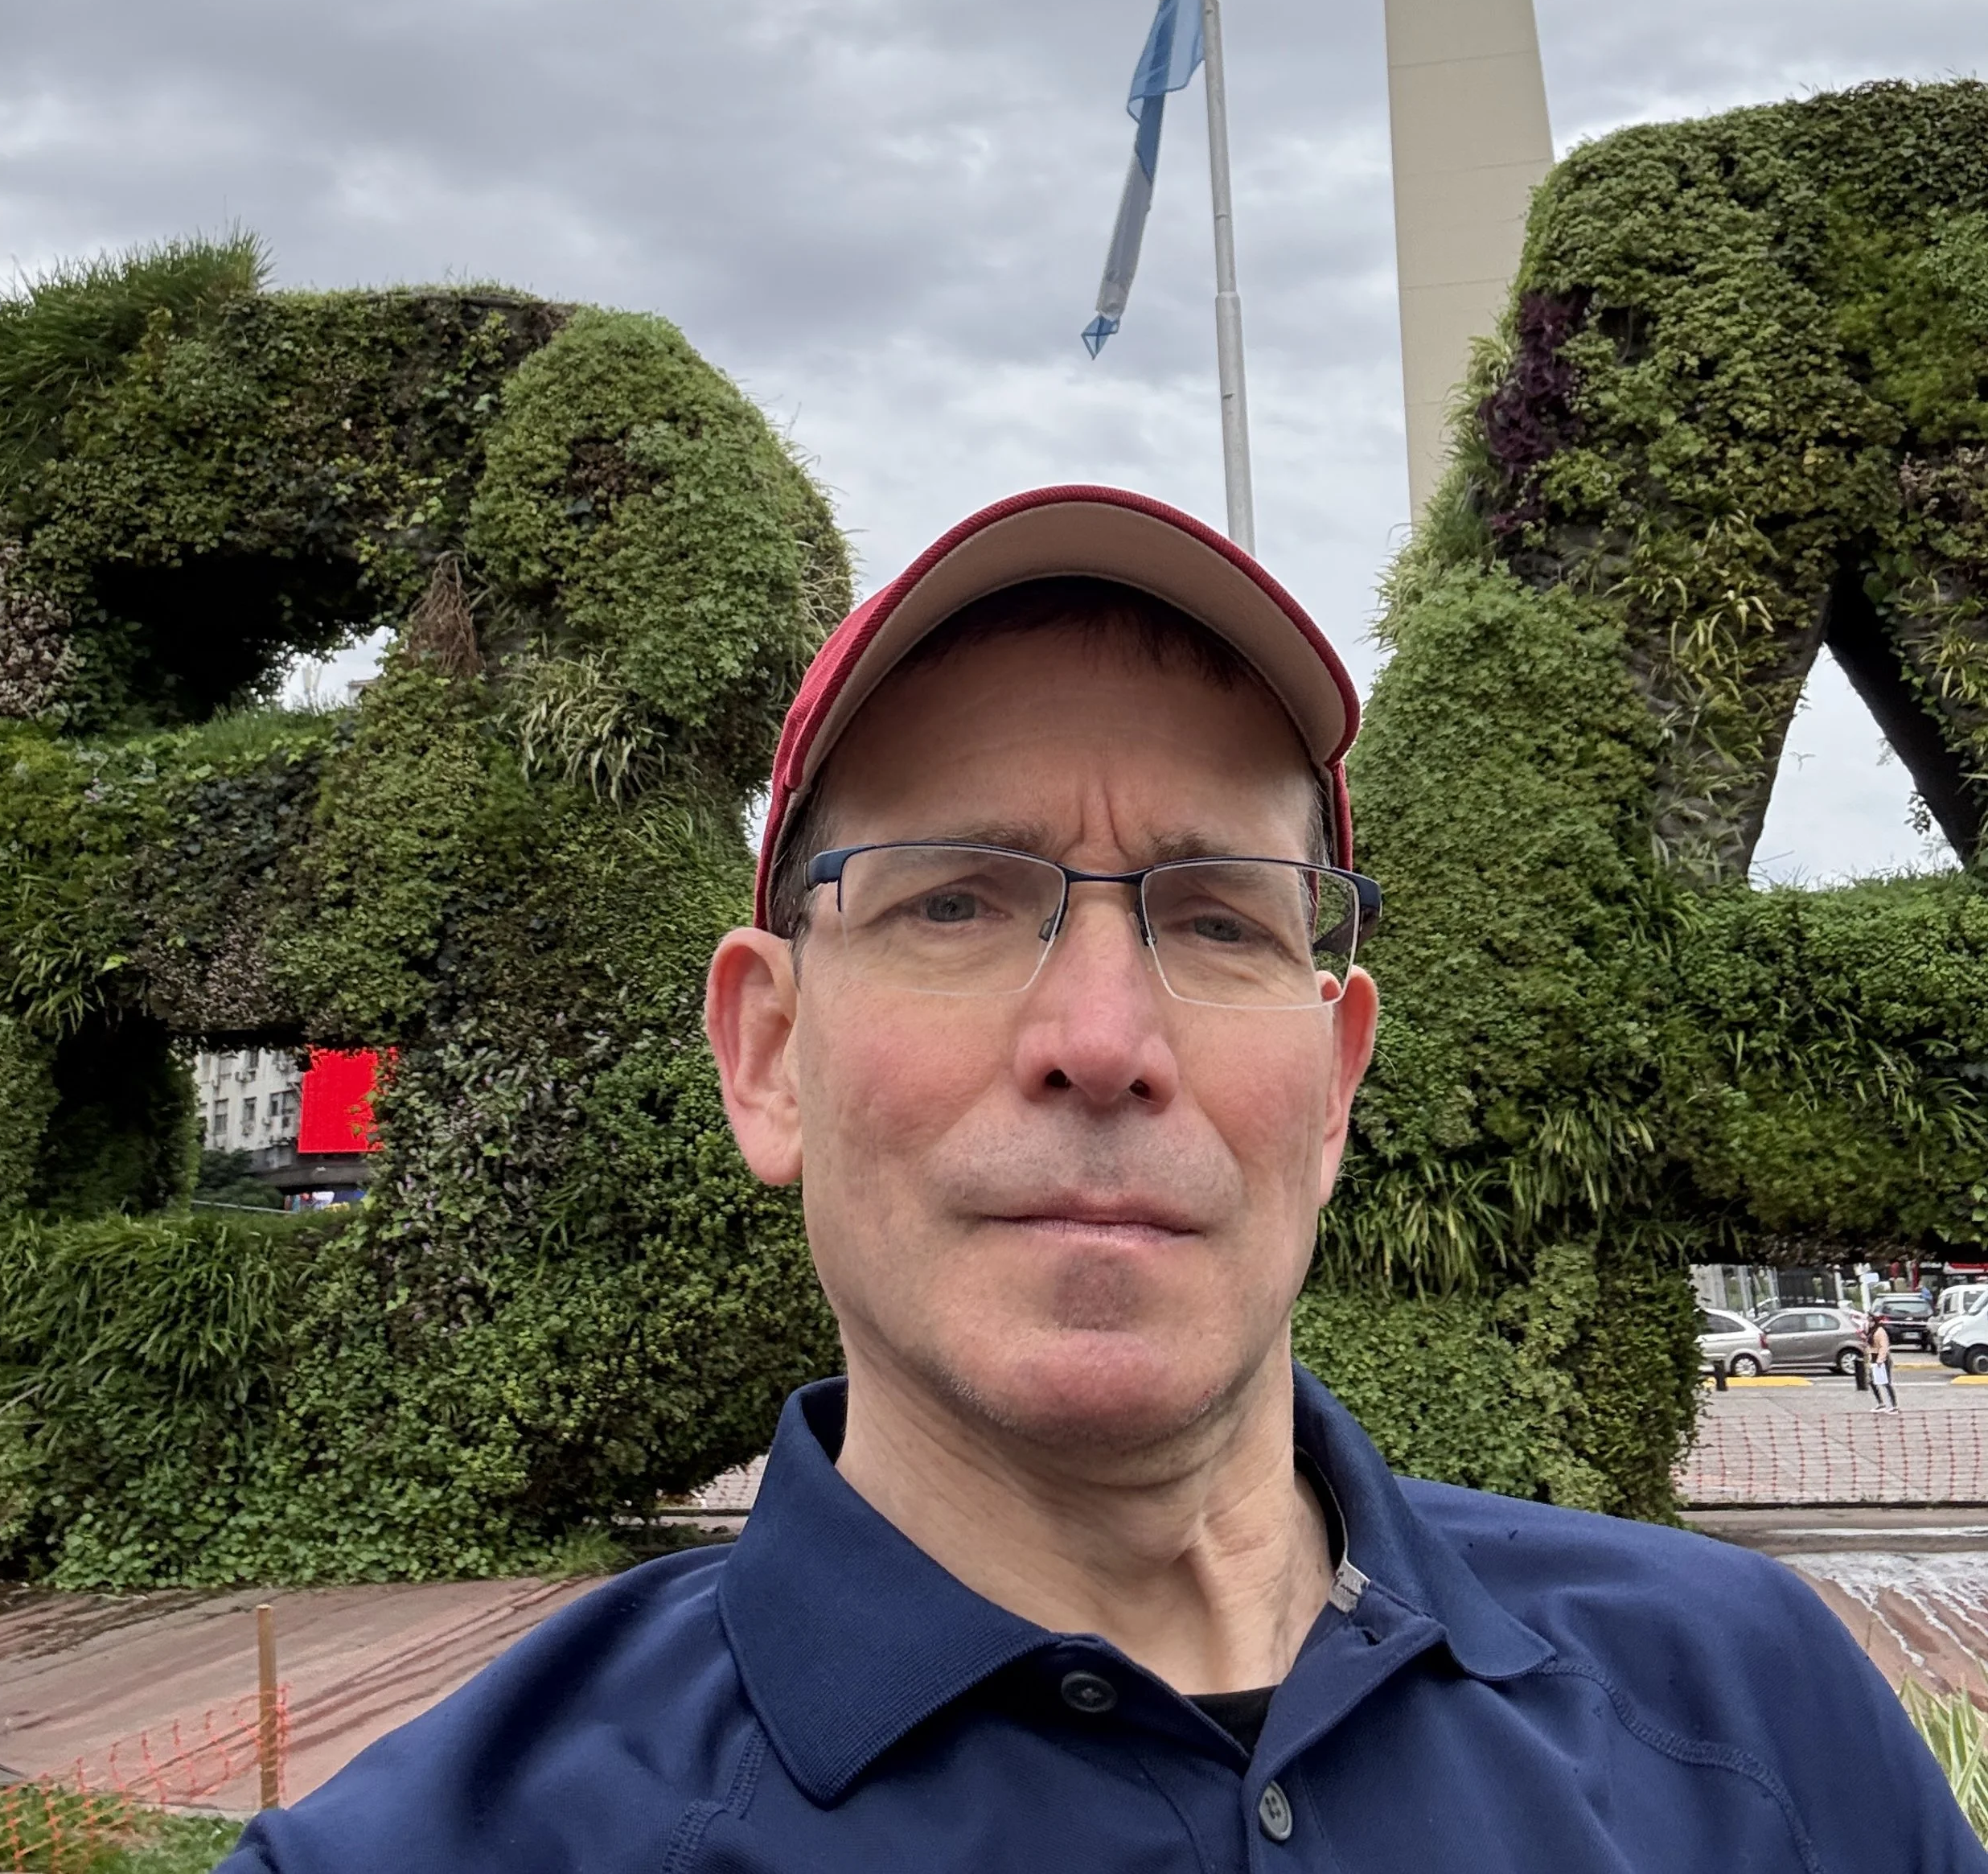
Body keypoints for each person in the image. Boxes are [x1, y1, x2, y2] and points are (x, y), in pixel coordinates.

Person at [220, 487, 1981, 1871]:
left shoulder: (1754, 1711)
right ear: (766, 1052)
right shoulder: (447, 1847)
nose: (1099, 1033)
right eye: (956, 897)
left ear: (1331, 1084)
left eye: (1214, 914)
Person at [1867, 1311, 1900, 1410]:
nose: (1869, 1322)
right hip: (1873, 1358)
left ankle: (1894, 1405)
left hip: (1882, 1359)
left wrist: (1880, 1360)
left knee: (1886, 1382)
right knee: (1872, 1381)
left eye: (1871, 1320)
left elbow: (1884, 1346)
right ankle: (1881, 1403)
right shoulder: (1871, 1331)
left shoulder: (1880, 1331)